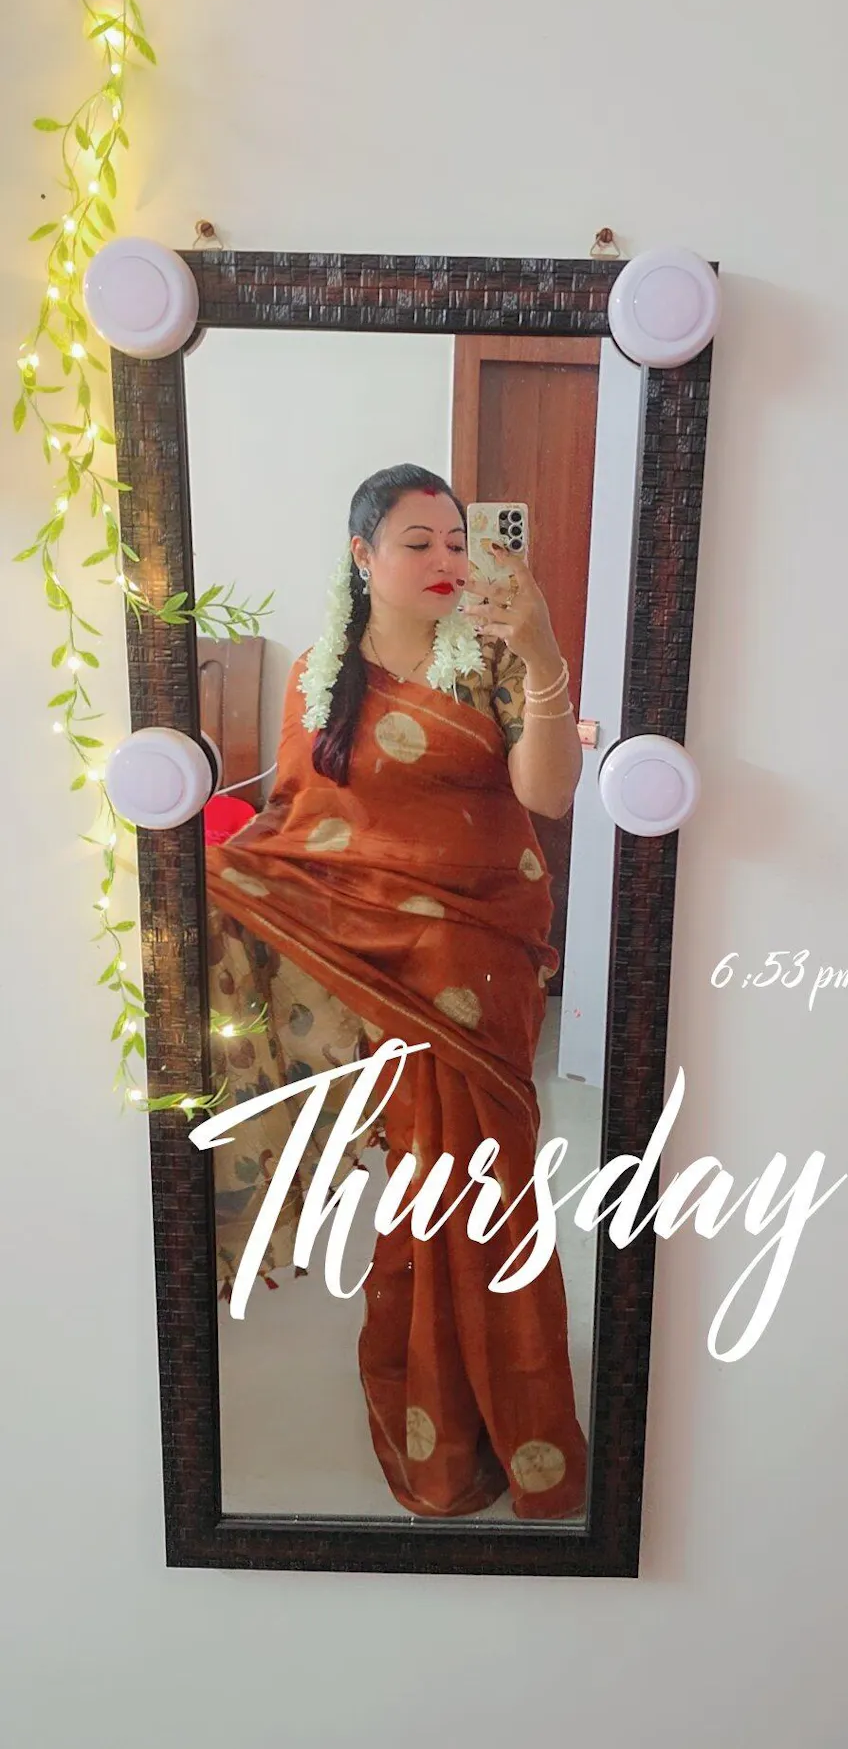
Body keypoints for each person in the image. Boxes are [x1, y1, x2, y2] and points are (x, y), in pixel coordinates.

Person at [205, 463, 589, 1520]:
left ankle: (496, 1418)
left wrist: (544, 653)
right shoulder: (319, 673)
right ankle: (429, 1400)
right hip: (365, 945)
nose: (445, 559)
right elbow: (300, 823)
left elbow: (549, 795)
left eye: (457, 541)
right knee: (200, 889)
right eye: (418, 542)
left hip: (475, 952)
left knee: (471, 1181)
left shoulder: (495, 658)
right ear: (362, 556)